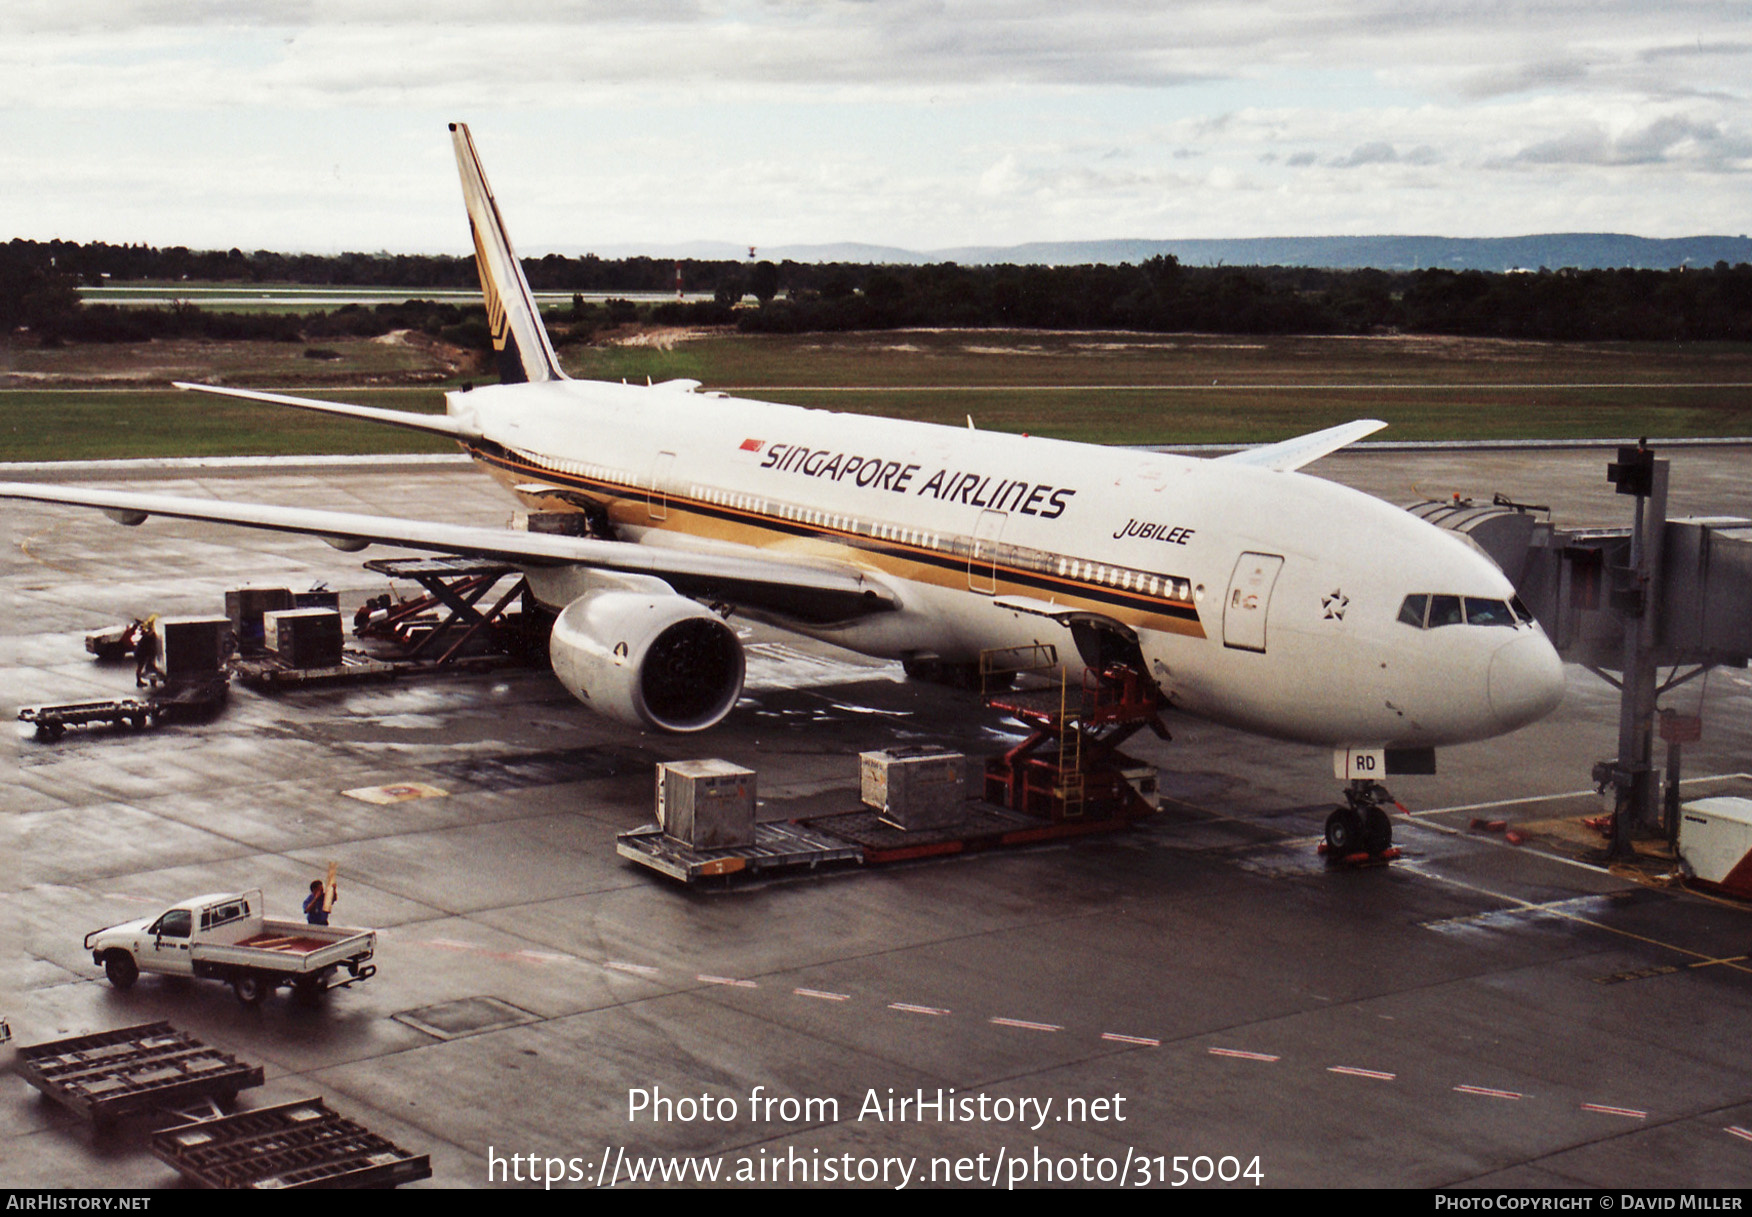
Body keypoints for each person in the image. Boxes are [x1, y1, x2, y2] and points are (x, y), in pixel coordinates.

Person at [133, 616, 159, 687]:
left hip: (141, 651)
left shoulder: (146, 633)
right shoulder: (149, 634)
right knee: (146, 666)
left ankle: (143, 681)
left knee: (145, 666)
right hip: (143, 652)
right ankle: (147, 682)